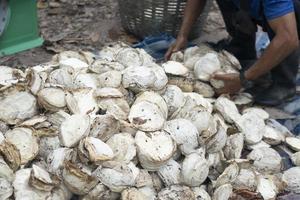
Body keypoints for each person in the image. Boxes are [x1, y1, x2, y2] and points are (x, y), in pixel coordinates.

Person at [165, 0, 300, 106]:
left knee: (290, 18)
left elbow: (288, 38)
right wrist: (183, 35)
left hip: (289, 15)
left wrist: (243, 79)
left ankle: (284, 83)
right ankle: (243, 50)